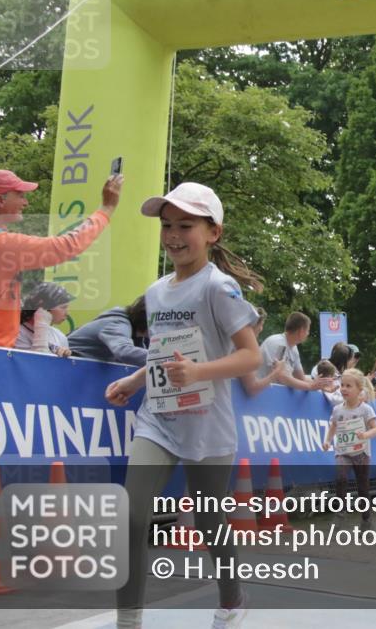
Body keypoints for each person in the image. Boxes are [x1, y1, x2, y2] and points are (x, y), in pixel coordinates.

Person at [103, 181, 263, 629]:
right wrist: (136, 380)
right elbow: (162, 352)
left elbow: (251, 356)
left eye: (186, 226)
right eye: (167, 225)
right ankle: (128, 622)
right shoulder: (156, 292)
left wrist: (197, 374)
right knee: (131, 517)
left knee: (211, 524)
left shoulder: (219, 287)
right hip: (158, 419)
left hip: (208, 425)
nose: (173, 235)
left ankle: (232, 598)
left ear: (213, 232)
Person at [0, 169, 121, 347]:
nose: (26, 202)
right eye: (20, 195)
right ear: (0, 199)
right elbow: (65, 246)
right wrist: (105, 210)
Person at [322, 368, 376, 530]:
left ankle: (366, 519)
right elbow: (333, 426)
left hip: (361, 453)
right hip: (343, 451)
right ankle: (340, 514)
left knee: (363, 488)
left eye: (349, 386)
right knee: (340, 478)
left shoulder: (365, 409)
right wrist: (327, 440)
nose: (344, 389)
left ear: (359, 389)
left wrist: (365, 434)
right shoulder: (338, 409)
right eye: (342, 385)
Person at [257, 312, 330, 392]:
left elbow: (300, 378)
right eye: (308, 331)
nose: (308, 334)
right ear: (301, 331)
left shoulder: (293, 348)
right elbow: (280, 376)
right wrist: (310, 386)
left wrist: (322, 385)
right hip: (262, 395)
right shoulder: (278, 344)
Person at [68, 295, 149, 366]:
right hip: (68, 362)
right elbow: (123, 351)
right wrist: (158, 356)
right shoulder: (118, 324)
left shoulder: (136, 336)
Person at [15, 282, 74, 357]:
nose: (67, 313)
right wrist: (41, 325)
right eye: (63, 307)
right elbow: (37, 362)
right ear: (44, 308)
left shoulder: (60, 336)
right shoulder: (18, 333)